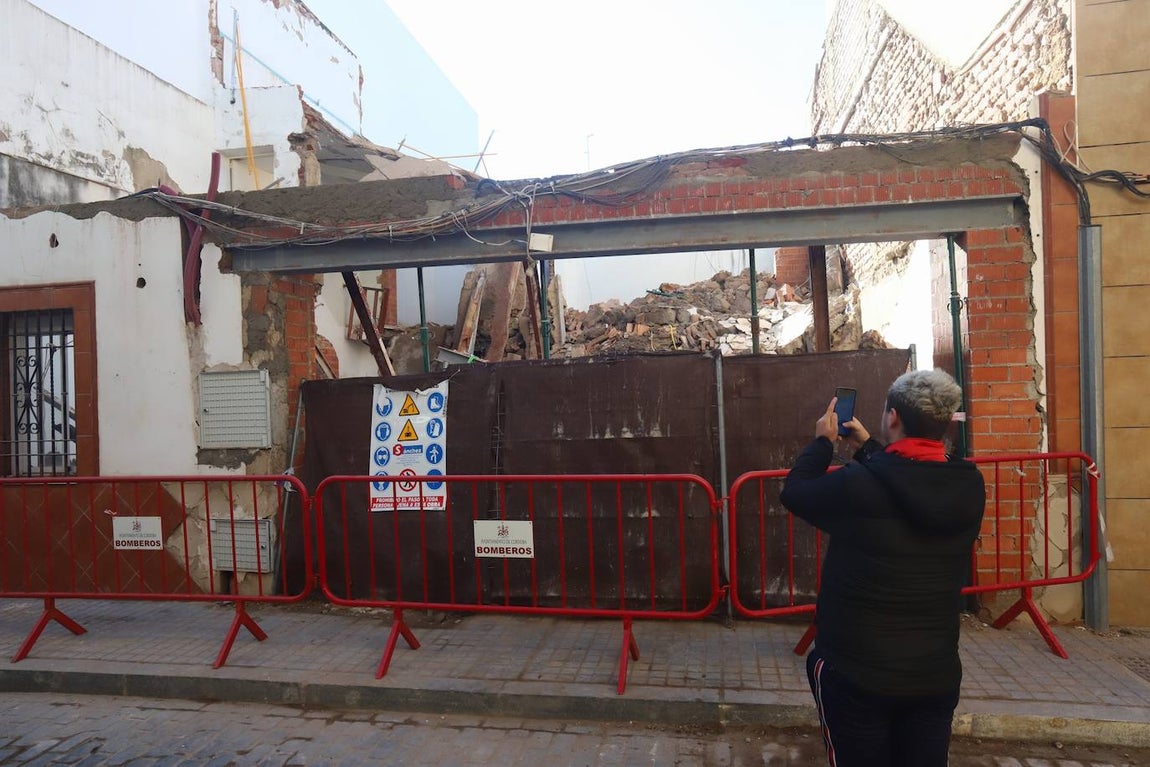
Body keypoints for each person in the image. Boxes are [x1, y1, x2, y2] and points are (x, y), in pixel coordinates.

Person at [779, 369, 986, 767]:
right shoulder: (969, 486)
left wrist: (823, 443)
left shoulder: (859, 485)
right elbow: (912, 480)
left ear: (893, 417)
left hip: (856, 673)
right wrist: (869, 447)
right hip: (933, 674)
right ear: (945, 421)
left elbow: (796, 492)